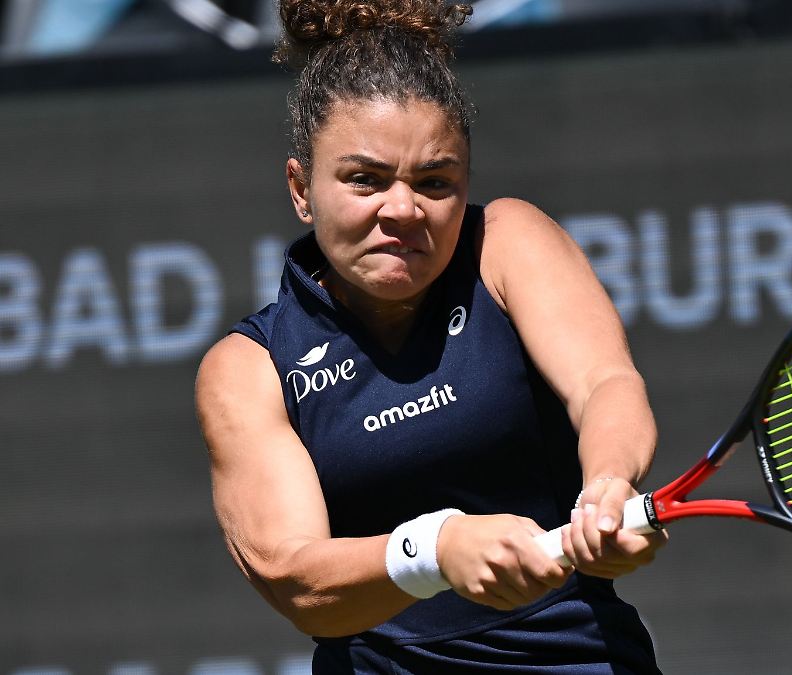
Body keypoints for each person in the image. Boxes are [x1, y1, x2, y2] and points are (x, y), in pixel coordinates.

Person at [193, 1, 666, 672]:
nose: (403, 209)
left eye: (435, 181)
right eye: (365, 179)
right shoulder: (249, 368)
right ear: (302, 189)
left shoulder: (508, 243)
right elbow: (295, 575)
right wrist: (434, 548)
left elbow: (604, 383)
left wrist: (608, 487)